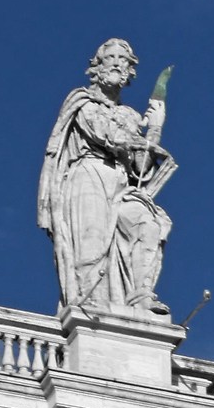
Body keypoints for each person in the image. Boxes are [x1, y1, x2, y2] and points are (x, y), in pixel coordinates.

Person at [39, 39, 173, 315]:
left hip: (121, 181)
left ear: (130, 70)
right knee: (92, 244)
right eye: (109, 57)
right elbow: (105, 134)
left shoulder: (129, 115)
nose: (116, 63)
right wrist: (137, 139)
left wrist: (155, 128)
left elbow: (140, 167)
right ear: (97, 67)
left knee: (147, 225)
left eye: (123, 59)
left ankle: (141, 297)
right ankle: (90, 307)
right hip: (88, 175)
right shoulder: (82, 101)